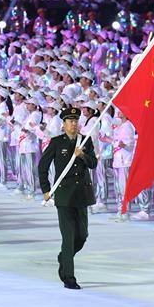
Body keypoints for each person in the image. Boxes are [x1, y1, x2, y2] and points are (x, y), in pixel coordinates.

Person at [37, 107, 98, 290]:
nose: (73, 124)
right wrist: (46, 189)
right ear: (63, 124)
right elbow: (42, 166)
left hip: (82, 195)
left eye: (75, 121)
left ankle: (64, 256)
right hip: (64, 195)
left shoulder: (85, 141)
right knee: (68, 237)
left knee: (82, 235)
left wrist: (83, 155)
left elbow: (94, 164)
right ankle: (69, 277)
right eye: (70, 121)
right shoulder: (56, 143)